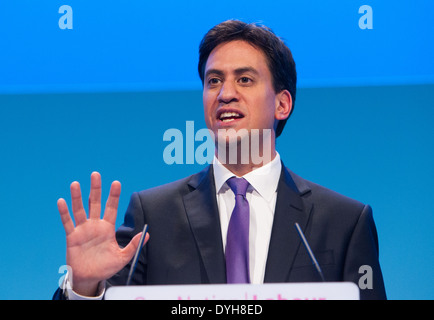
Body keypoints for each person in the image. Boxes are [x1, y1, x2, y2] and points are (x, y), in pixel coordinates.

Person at [53, 20, 386, 300]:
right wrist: (84, 287)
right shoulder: (153, 214)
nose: (225, 93)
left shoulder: (344, 222)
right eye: (214, 81)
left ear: (282, 104)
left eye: (244, 79)